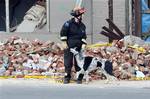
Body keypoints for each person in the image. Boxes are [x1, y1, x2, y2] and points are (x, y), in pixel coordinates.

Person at [60, 7, 87, 84]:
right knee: (68, 62)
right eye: (82, 15)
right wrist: (64, 42)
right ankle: (67, 77)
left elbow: (84, 36)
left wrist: (83, 44)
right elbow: (63, 33)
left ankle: (79, 78)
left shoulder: (82, 26)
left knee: (79, 62)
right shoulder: (68, 24)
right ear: (78, 15)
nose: (83, 16)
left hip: (78, 47)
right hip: (69, 45)